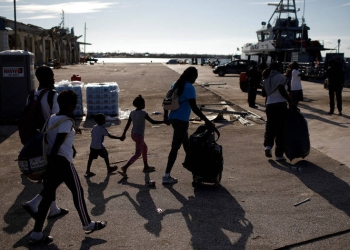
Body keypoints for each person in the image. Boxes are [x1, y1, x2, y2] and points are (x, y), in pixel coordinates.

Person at [29, 90, 107, 244]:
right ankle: (87, 224)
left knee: (47, 198)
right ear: (72, 105)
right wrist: (51, 167)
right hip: (62, 162)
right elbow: (58, 143)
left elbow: (51, 140)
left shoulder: (52, 118)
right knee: (77, 192)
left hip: (52, 160)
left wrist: (48, 167)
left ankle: (37, 233)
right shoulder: (67, 121)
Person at [22, 66, 69, 221]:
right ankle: (35, 204)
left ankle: (53, 208)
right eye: (53, 75)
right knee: (58, 173)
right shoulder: (52, 96)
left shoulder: (31, 95)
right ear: (50, 77)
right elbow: (57, 119)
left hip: (35, 141)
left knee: (51, 176)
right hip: (49, 141)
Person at [162, 67, 214, 184]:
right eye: (195, 77)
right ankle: (166, 176)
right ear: (192, 76)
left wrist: (166, 116)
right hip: (181, 121)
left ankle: (196, 174)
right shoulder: (189, 87)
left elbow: (166, 101)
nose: (195, 80)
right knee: (175, 148)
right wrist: (207, 120)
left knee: (187, 147)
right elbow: (194, 107)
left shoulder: (175, 83)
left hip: (174, 119)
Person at [117, 95, 165, 177]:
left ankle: (146, 166)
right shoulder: (143, 113)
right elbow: (153, 122)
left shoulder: (132, 113)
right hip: (139, 135)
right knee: (138, 154)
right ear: (141, 104)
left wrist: (124, 134)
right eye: (143, 103)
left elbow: (128, 124)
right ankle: (125, 167)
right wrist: (164, 121)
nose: (144, 104)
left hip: (133, 134)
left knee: (144, 148)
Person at [262, 62, 294, 161]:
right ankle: (279, 155)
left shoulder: (266, 78)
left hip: (269, 105)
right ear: (279, 67)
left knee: (270, 127)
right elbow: (281, 89)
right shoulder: (281, 77)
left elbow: (264, 93)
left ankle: (268, 146)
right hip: (280, 105)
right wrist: (290, 101)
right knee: (281, 130)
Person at [85, 113, 122, 177]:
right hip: (99, 147)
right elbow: (110, 136)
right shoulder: (102, 129)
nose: (105, 120)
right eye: (104, 119)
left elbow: (92, 134)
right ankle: (109, 168)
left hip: (92, 146)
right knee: (106, 155)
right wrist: (119, 138)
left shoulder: (94, 127)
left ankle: (88, 170)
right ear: (102, 121)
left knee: (90, 158)